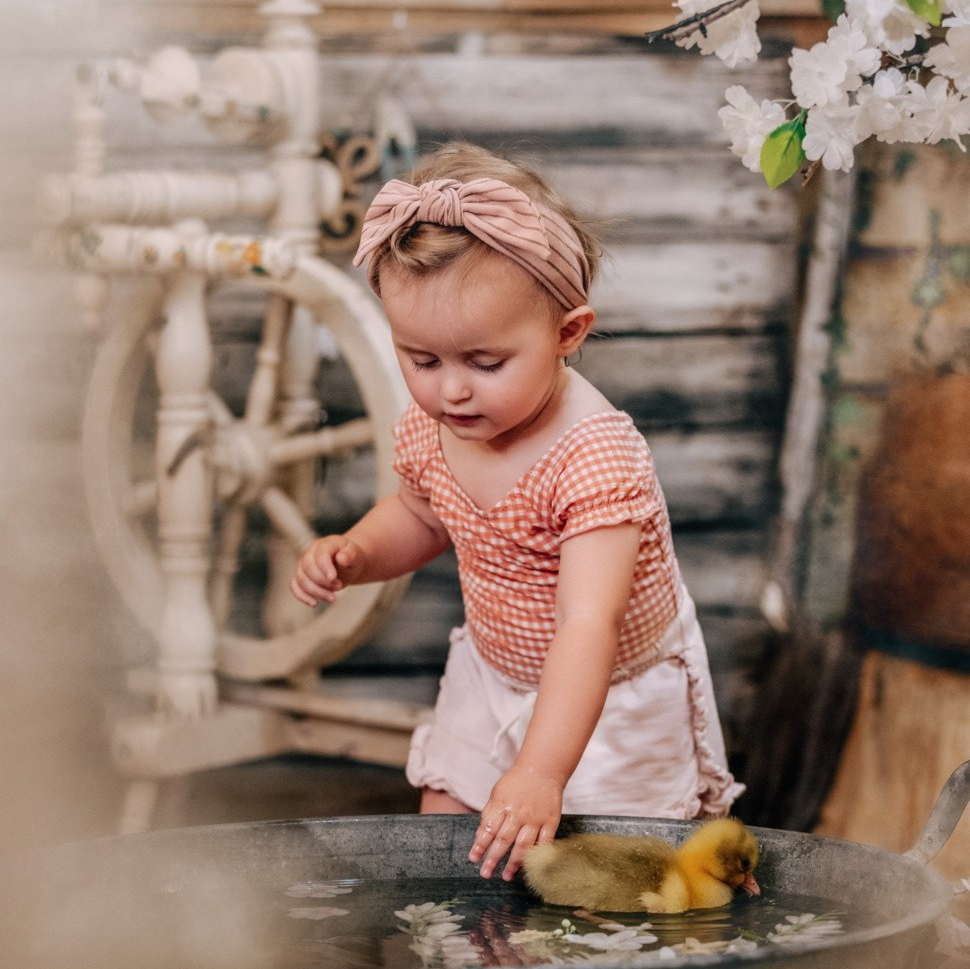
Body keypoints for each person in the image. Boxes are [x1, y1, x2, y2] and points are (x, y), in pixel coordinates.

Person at [291, 143, 742, 881]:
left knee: (612, 874)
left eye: (485, 363)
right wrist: (356, 553)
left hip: (605, 688)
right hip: (494, 669)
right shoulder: (436, 425)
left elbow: (585, 625)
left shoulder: (592, 459)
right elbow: (421, 515)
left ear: (568, 334)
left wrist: (541, 770)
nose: (451, 393)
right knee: (449, 842)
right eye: (422, 360)